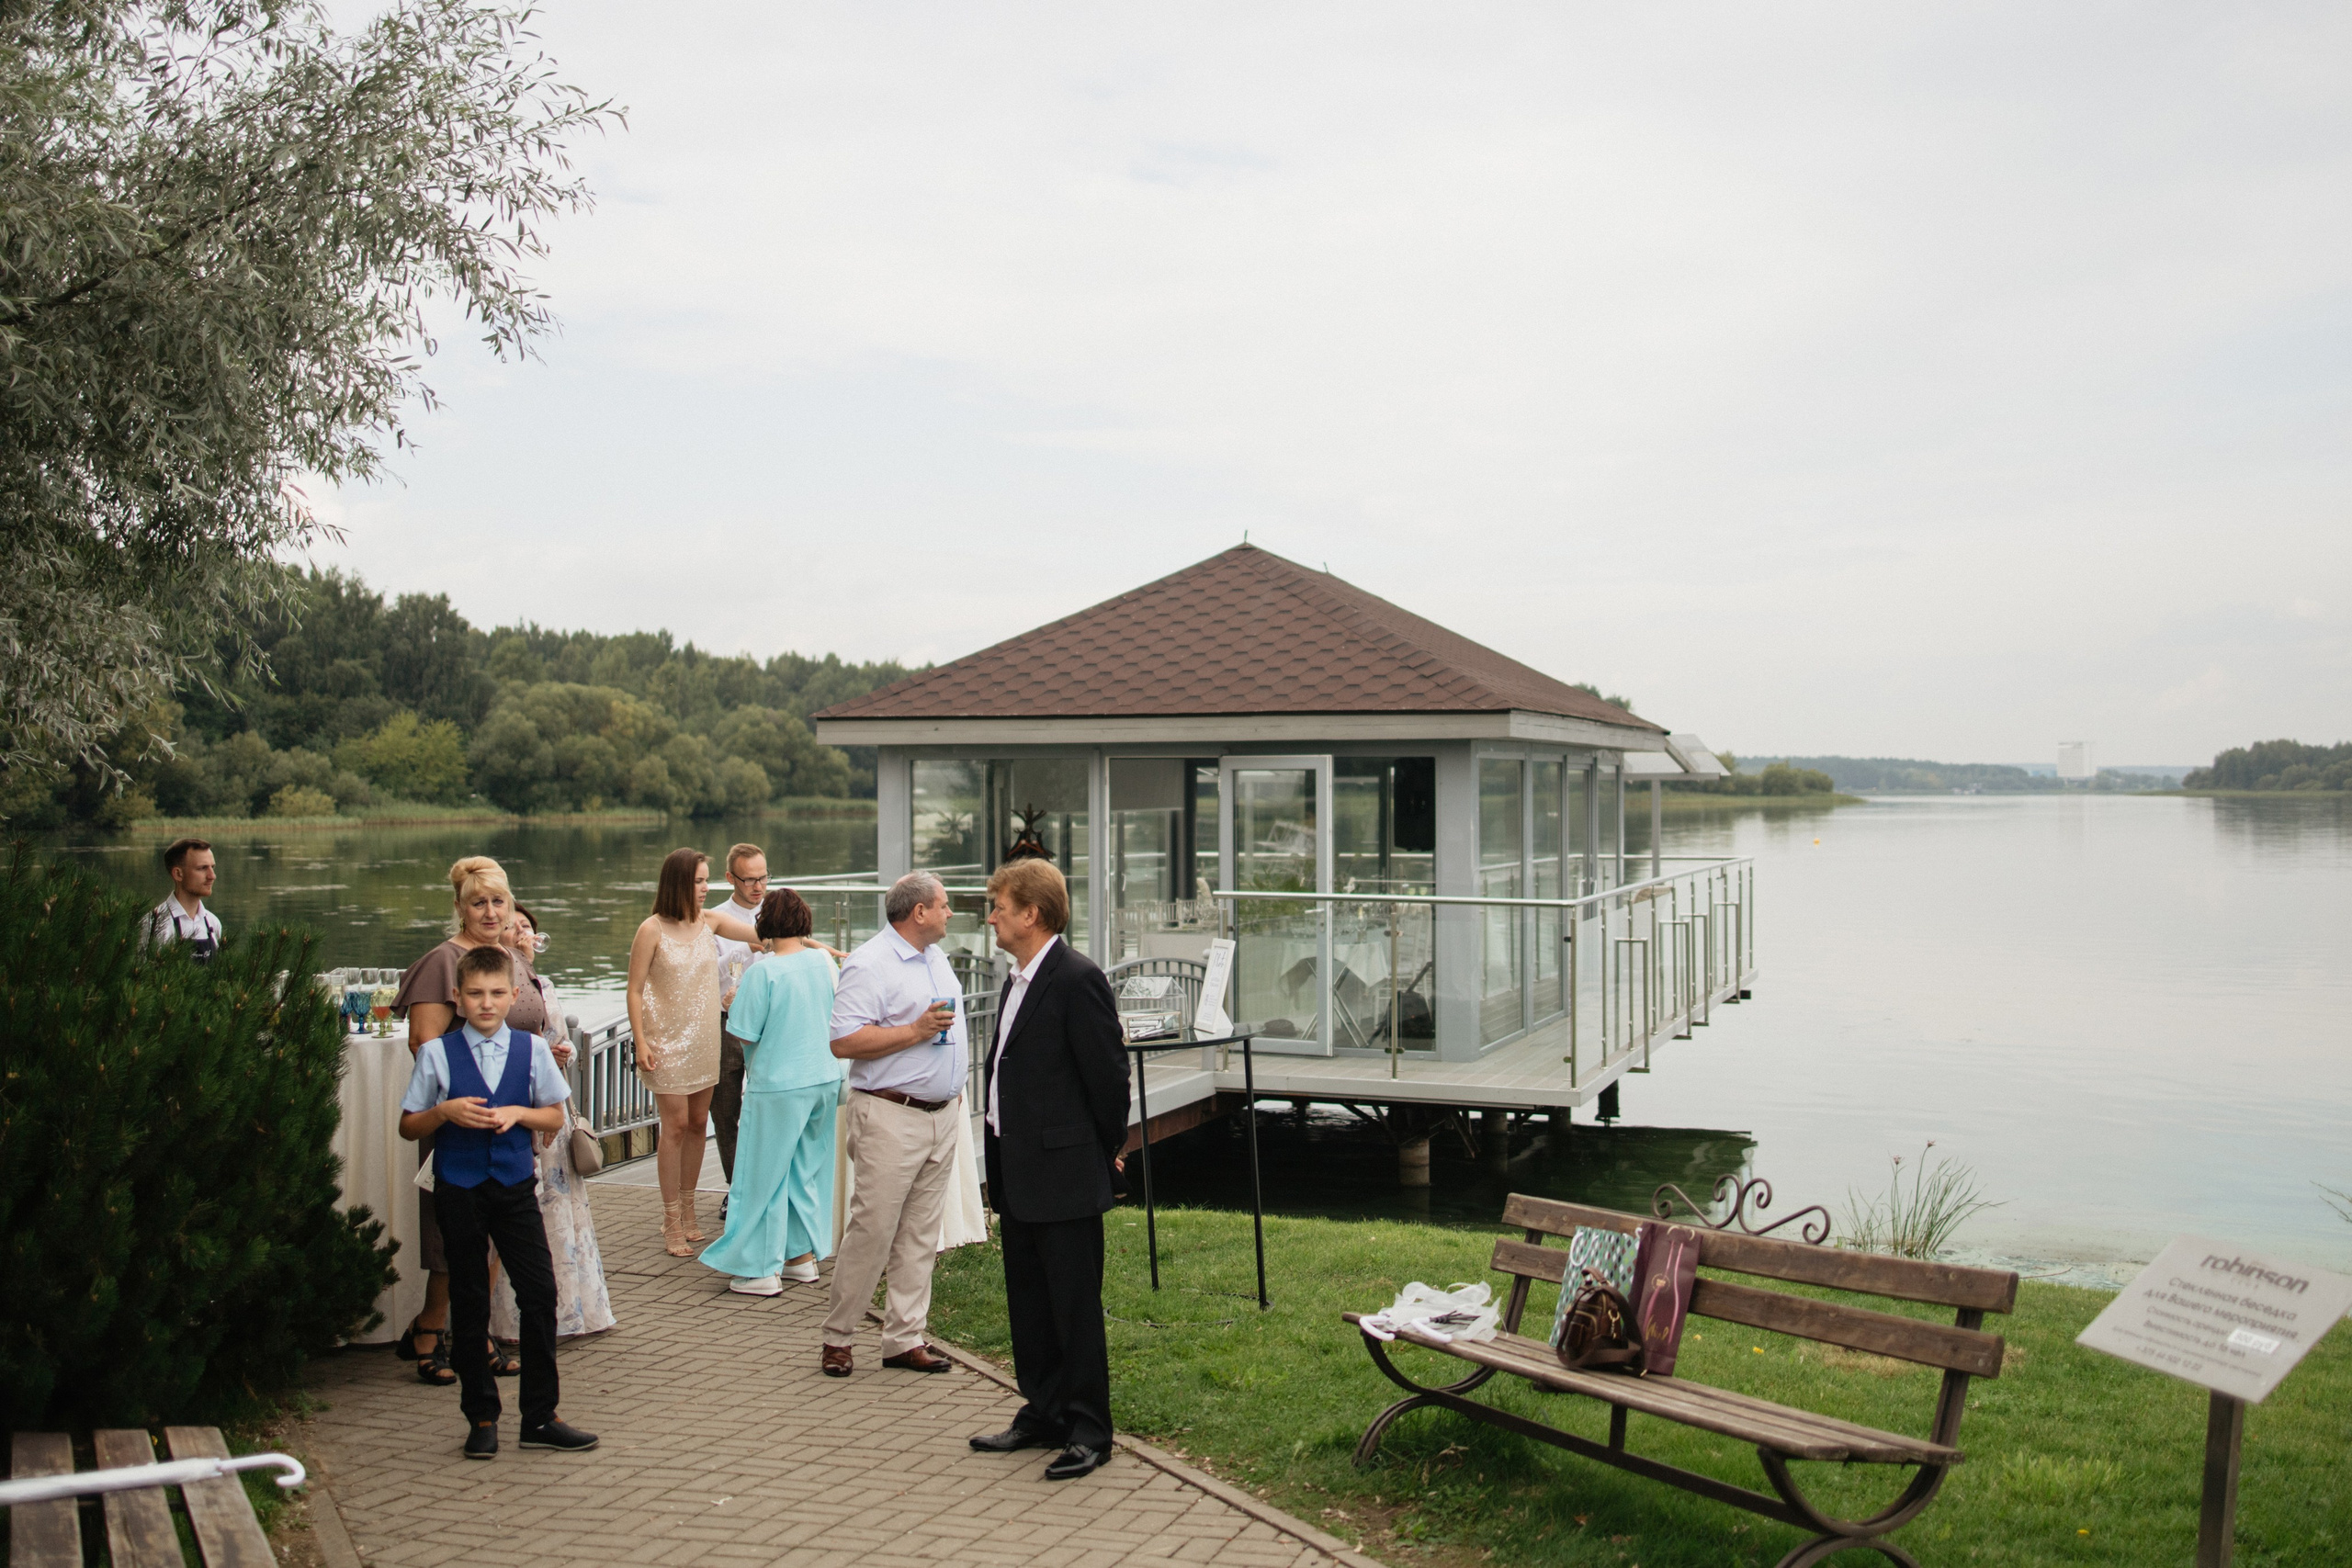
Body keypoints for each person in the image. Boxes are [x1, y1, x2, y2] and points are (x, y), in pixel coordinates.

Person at [398, 944, 598, 1460]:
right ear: (459, 1000)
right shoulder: (439, 1053)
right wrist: (443, 1112)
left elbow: (554, 1116)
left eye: (495, 994)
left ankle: (540, 1415)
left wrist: (518, 1114)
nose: (486, 1004)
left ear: (512, 996)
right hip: (459, 1187)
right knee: (468, 1301)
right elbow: (408, 1125)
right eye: (474, 995)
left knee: (539, 1293)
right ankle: (481, 1415)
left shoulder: (531, 1051)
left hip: (513, 1187)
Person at [967, 858, 1130, 1481]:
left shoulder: (1076, 978)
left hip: (1064, 1173)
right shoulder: (1017, 979)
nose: (991, 917)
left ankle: (1090, 1427)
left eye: (998, 906)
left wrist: (1100, 1149)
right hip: (1019, 1170)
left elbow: (1109, 1079)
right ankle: (1045, 1410)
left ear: (1030, 913)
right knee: (1030, 1302)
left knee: (1074, 1306)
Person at [392, 856, 559, 1385]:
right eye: (478, 903)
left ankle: (477, 1331)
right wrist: (460, 1103)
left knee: (497, 1239)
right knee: (455, 1240)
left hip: (516, 1115)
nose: (490, 912)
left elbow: (531, 1025)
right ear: (460, 908)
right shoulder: (444, 962)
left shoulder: (510, 958)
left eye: (499, 902)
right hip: (462, 1117)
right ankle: (430, 1329)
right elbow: (425, 1043)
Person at [818, 871, 965, 1377]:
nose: (949, 913)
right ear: (918, 912)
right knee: (873, 1229)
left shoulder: (936, 957)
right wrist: (914, 1031)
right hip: (889, 1114)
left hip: (940, 1116)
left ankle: (904, 1338)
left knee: (921, 1233)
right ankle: (838, 1337)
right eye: (943, 905)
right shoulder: (869, 964)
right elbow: (843, 1042)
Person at [698, 887, 841, 1295]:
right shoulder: (824, 961)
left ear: (765, 925)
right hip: (824, 1078)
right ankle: (800, 1256)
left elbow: (744, 1033)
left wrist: (733, 998)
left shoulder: (763, 971)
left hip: (778, 1083)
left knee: (760, 1176)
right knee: (804, 1170)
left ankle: (759, 1267)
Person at [626, 848, 761, 1256]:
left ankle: (689, 1212)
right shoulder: (651, 929)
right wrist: (641, 1040)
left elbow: (766, 936)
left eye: (706, 881)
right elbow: (633, 990)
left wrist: (814, 948)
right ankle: (670, 1219)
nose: (705, 889)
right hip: (665, 1040)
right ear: (678, 883)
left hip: (705, 1039)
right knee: (677, 1124)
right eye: (698, 881)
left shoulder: (712, 923)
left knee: (700, 1121)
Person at [491, 904, 616, 1341]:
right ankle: (510, 1319)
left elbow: (565, 1042)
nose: (524, 933)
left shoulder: (544, 985)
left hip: (550, 1107)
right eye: (515, 926)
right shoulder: (493, 988)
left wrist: (563, 1052)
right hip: (517, 1103)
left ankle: (570, 1309)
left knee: (560, 1210)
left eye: (528, 927)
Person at [707, 842, 767, 1203]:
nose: (758, 886)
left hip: (770, 1027)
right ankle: (738, 1190)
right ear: (731, 878)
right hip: (728, 1023)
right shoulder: (713, 919)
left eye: (763, 877)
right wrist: (748, 947)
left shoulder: (779, 912)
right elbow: (707, 976)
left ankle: (764, 1186)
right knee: (726, 1109)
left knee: (767, 1106)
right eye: (750, 880)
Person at [147, 838, 221, 960]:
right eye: (202, 868)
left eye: (212, 867)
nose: (212, 876)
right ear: (178, 874)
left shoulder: (213, 923)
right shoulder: (154, 923)